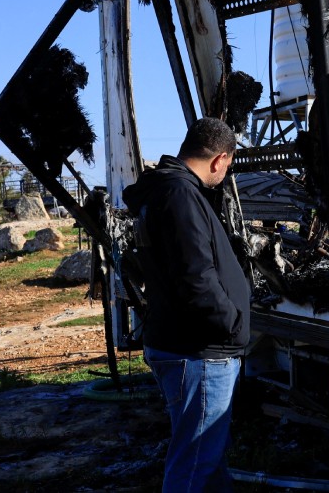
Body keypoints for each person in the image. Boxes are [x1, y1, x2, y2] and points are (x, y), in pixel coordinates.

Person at [123, 117, 249, 491]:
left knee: (207, 461)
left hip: (188, 346)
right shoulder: (180, 195)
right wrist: (232, 323)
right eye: (226, 167)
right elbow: (196, 278)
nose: (224, 175)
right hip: (199, 353)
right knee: (193, 465)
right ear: (219, 159)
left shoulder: (167, 190)